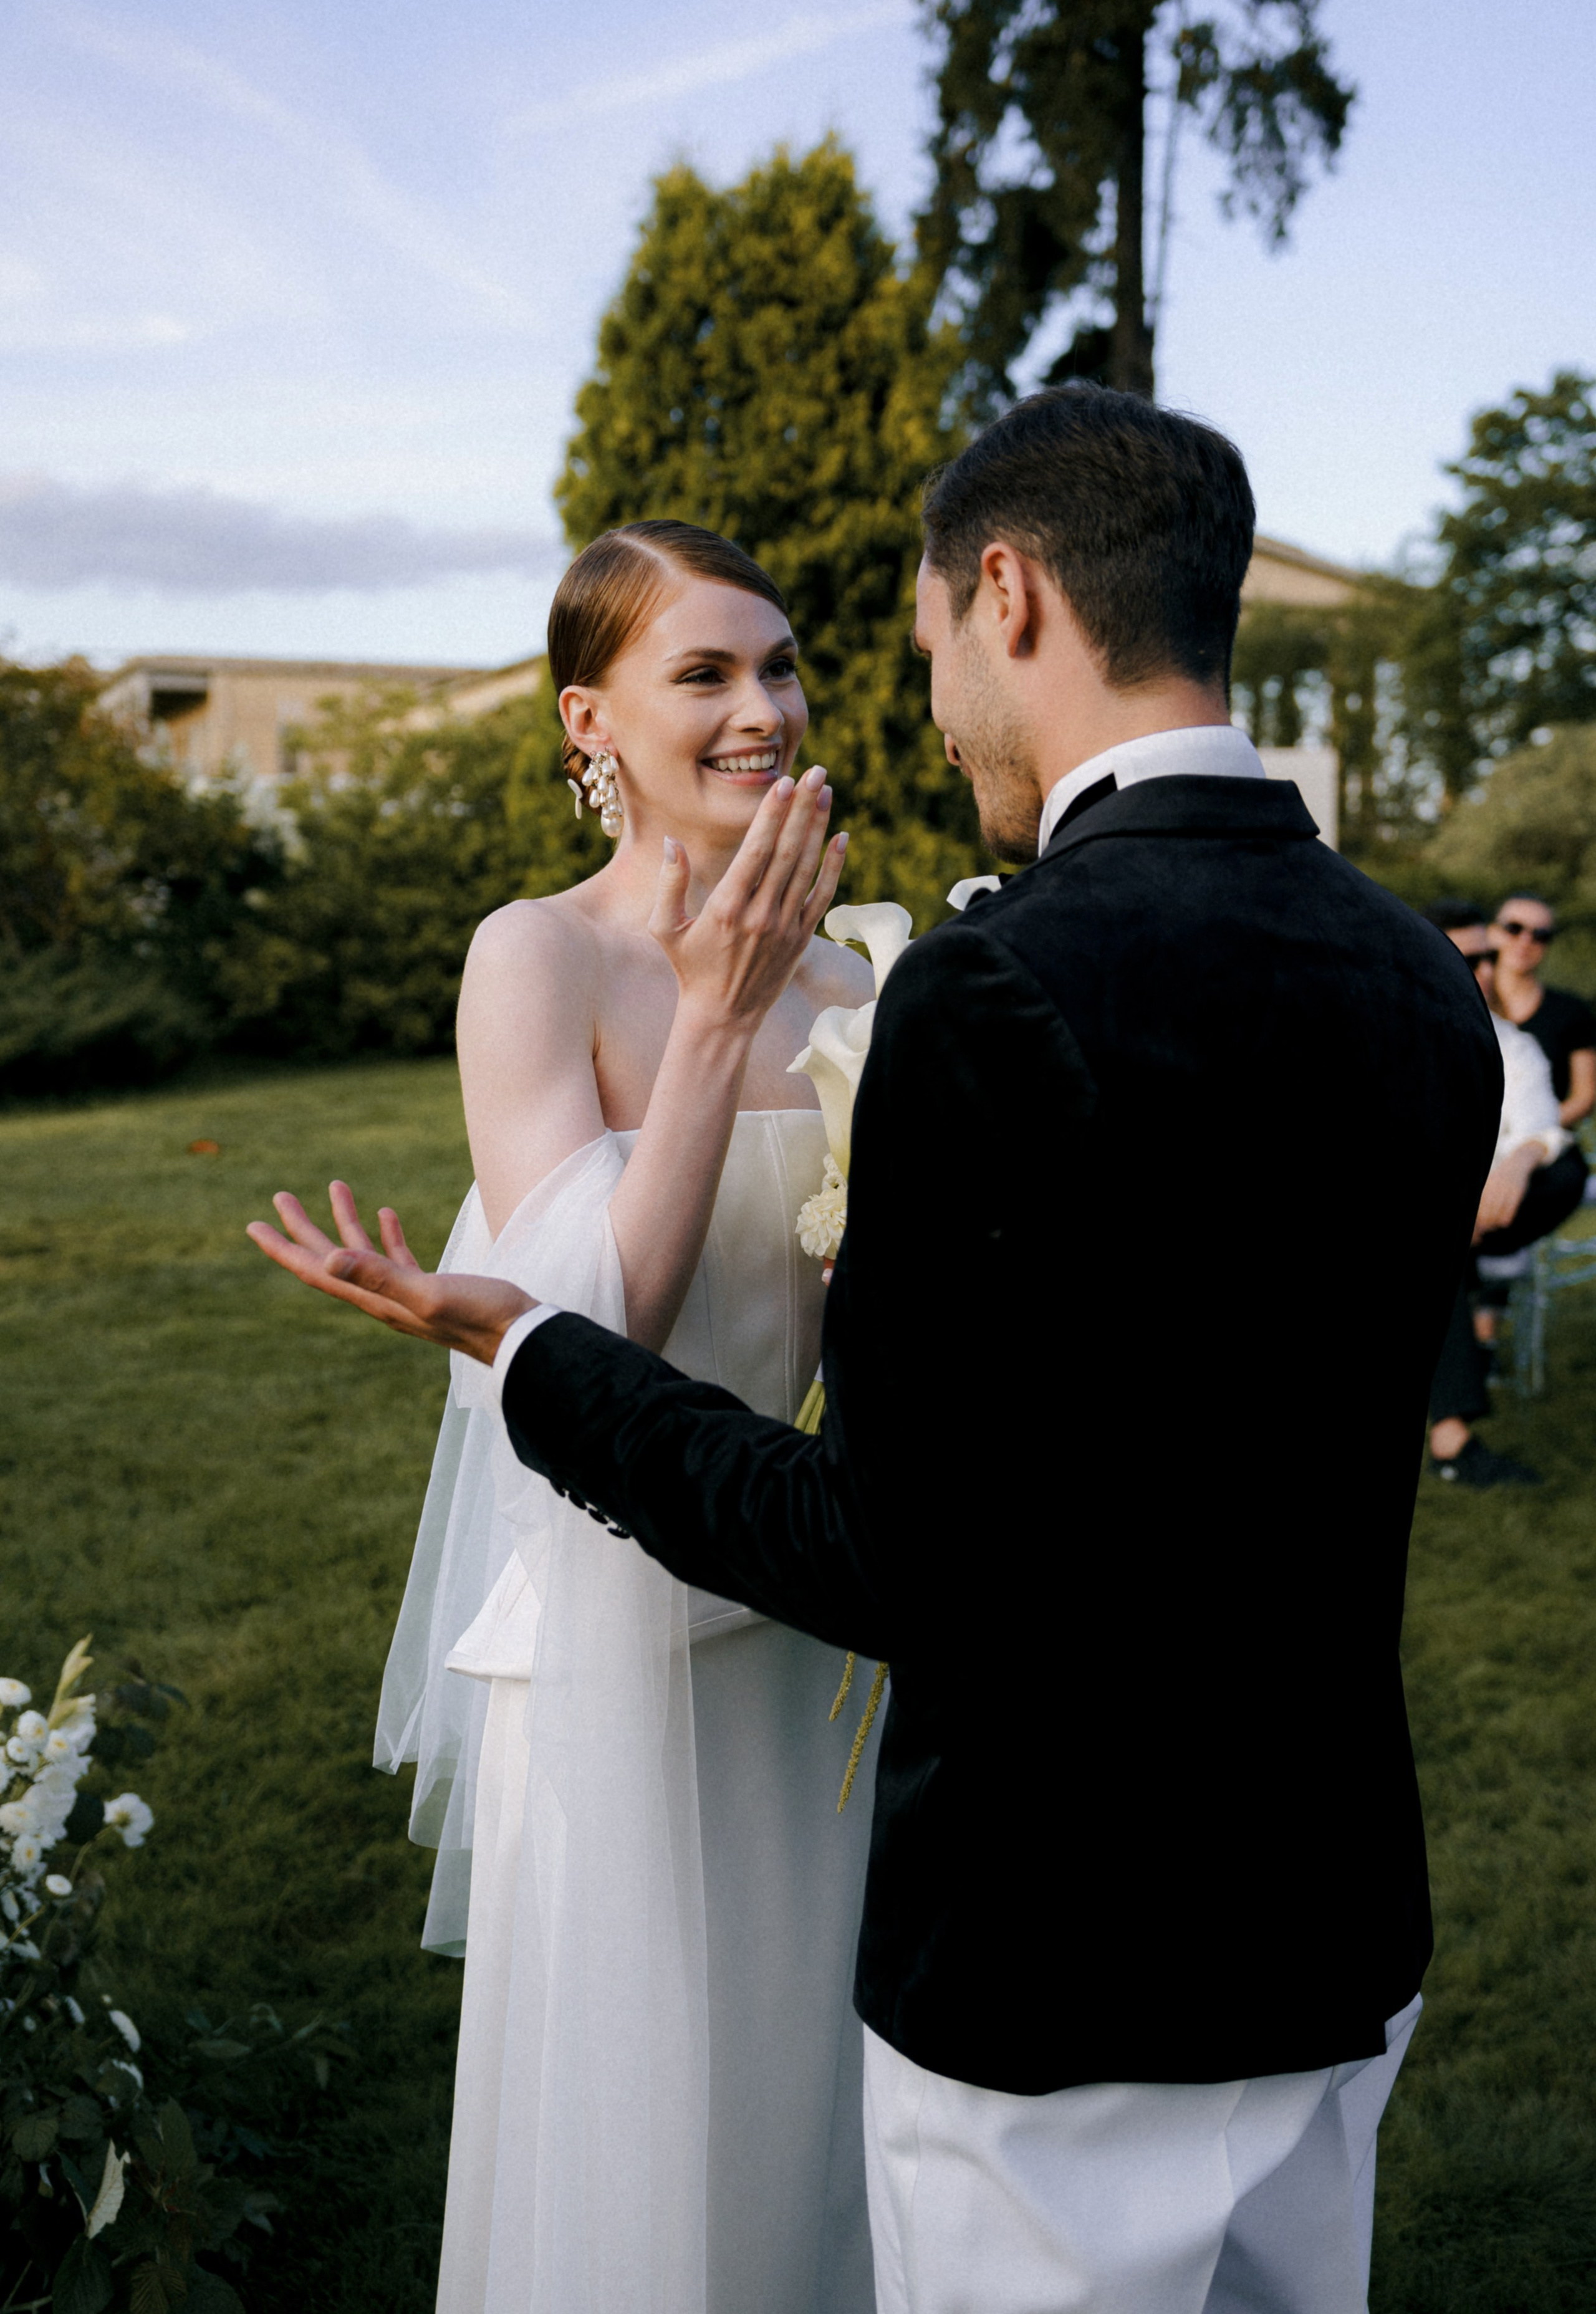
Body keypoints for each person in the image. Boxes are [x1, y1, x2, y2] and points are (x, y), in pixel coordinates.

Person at [251, 388, 1503, 2314]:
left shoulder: (961, 980)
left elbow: (895, 1531)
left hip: (1025, 1901)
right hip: (1318, 1913)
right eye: (708, 670)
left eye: (862, 652)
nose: (852, 705)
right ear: (589, 721)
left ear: (1007, 596)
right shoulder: (1420, 975)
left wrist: (521, 1343)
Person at [348, 519, 877, 2314]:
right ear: (589, 720)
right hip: (617, 1634)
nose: (763, 709)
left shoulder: (856, 985)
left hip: (822, 1630)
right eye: (704, 672)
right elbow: (600, 1336)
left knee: (812, 2121)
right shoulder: (538, 959)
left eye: (779, 665)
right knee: (642, 2151)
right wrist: (715, 1020)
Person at [1423, 901, 1584, 1487]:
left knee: (1564, 1169)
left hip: (1485, 1209)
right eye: (1471, 959)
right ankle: (1453, 1443)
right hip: (1414, 1204)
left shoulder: (1514, 1045)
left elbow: (1543, 1122)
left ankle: (1451, 1439)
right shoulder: (1394, 1033)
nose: (1488, 970)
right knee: (1436, 1241)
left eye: (1490, 956)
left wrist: (1518, 1161)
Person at [1489, 892, 1596, 1129]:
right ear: (1492, 932)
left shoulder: (1571, 1011)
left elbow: (1584, 1097)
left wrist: (1531, 1133)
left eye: (1540, 935)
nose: (1526, 941)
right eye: (1514, 928)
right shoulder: (1467, 1003)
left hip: (1544, 1137)